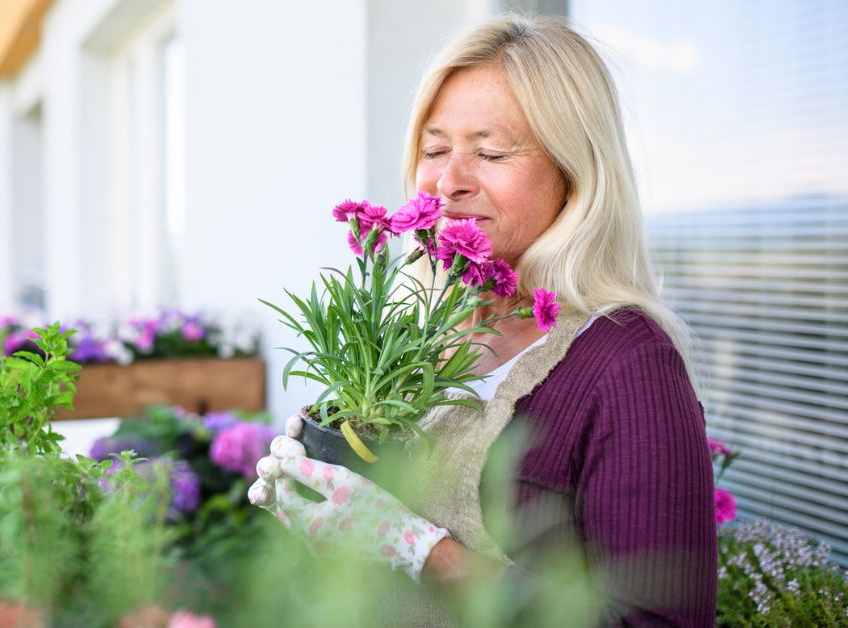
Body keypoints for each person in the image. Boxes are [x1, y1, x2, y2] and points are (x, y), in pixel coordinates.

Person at [248, 15, 717, 627]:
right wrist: (321, 508)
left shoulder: (627, 362)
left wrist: (422, 551)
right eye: (435, 148)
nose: (448, 182)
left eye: (491, 152)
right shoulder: (415, 333)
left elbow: (659, 621)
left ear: (575, 175)